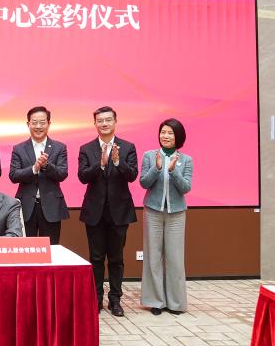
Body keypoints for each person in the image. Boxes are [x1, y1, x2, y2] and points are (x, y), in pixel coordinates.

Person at [78, 106, 138, 317]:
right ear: (94, 123)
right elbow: (82, 176)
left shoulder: (127, 147)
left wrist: (118, 162)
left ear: (115, 122)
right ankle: (96, 299)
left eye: (108, 120)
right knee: (95, 258)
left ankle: (115, 300)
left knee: (116, 258)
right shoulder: (86, 149)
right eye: (100, 120)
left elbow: (132, 176)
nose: (104, 124)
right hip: (94, 212)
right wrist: (100, 164)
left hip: (119, 212)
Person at [139, 118, 193, 315]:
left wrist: (173, 171)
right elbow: (144, 183)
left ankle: (176, 303)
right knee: (153, 256)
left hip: (176, 213)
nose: (166, 136)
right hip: (153, 211)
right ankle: (155, 301)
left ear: (178, 137)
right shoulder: (149, 156)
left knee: (175, 258)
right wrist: (158, 168)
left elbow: (186, 188)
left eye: (170, 133)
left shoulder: (186, 160)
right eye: (163, 132)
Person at [9, 106, 69, 244]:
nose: (38, 126)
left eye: (42, 122)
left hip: (51, 206)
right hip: (26, 206)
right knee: (25, 248)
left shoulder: (59, 147)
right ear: (28, 124)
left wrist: (47, 166)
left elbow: (62, 174)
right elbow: (13, 175)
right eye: (34, 122)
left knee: (51, 248)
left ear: (49, 123)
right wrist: (34, 168)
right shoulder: (19, 148)